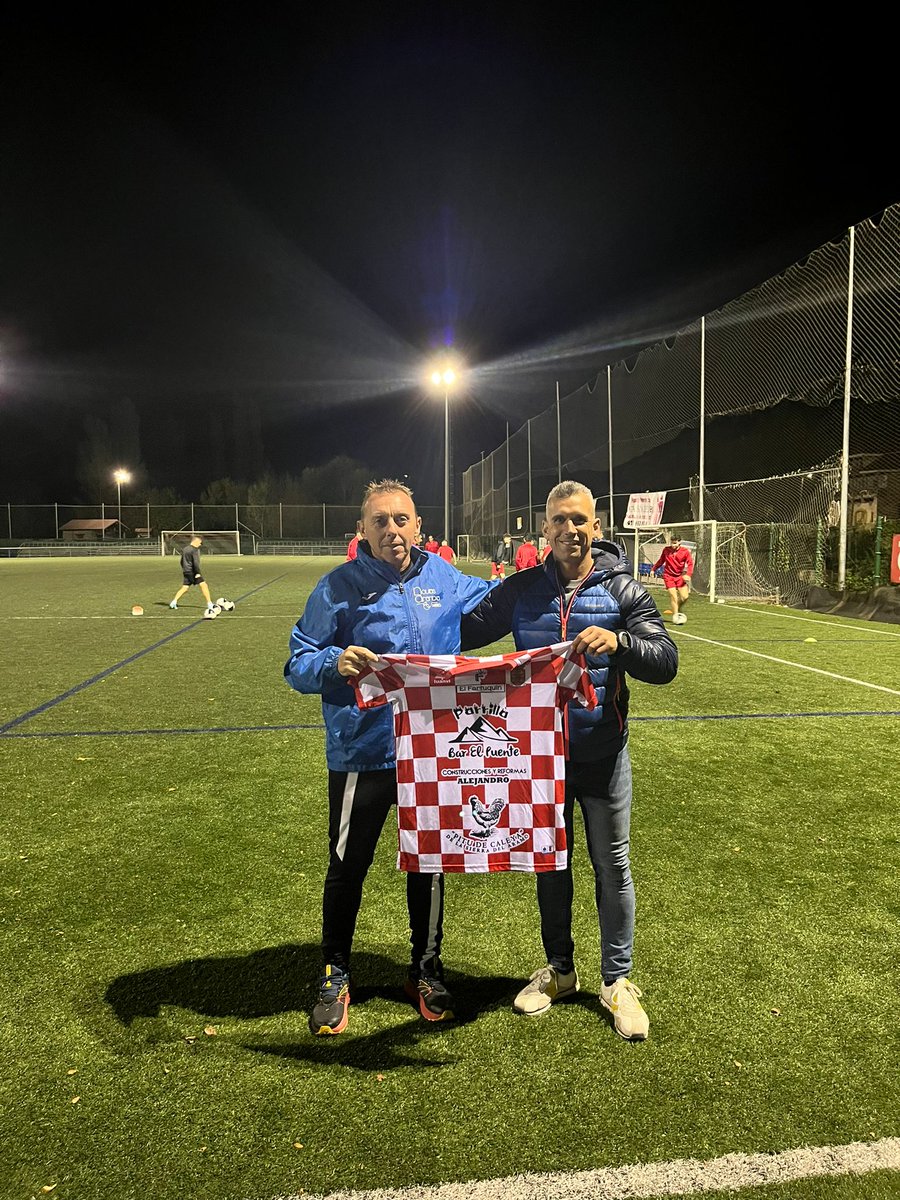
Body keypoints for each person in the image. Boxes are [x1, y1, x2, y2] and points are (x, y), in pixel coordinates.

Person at [461, 481, 678, 1040]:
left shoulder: (625, 590)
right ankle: (559, 971)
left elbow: (666, 660)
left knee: (614, 866)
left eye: (580, 519)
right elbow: (463, 631)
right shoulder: (521, 591)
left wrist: (622, 643)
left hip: (603, 756)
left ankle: (617, 981)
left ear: (597, 527)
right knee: (549, 864)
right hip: (537, 761)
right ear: (545, 531)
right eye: (559, 520)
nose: (570, 529)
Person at [284, 480, 494, 1036]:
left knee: (428, 862)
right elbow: (297, 664)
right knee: (347, 865)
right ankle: (335, 970)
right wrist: (334, 664)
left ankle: (424, 970)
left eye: (401, 519)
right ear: (362, 531)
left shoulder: (446, 579)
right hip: (362, 750)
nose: (392, 530)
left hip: (429, 751)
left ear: (419, 525)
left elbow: (504, 602)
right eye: (380, 521)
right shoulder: (337, 588)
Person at [169, 535, 217, 618]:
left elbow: (181, 561)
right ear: (196, 541)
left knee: (185, 587)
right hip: (193, 572)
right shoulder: (194, 550)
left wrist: (185, 569)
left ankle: (173, 602)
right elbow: (196, 562)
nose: (200, 545)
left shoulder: (185, 549)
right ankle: (210, 604)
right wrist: (197, 572)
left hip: (186, 571)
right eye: (200, 543)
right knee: (204, 585)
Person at [652, 532, 694, 624]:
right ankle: (676, 617)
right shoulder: (666, 550)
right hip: (668, 576)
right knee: (673, 596)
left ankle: (678, 608)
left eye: (675, 543)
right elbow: (661, 561)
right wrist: (653, 569)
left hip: (679, 576)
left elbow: (690, 563)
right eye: (671, 543)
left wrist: (688, 574)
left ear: (679, 542)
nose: (673, 545)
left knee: (685, 597)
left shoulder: (685, 552)